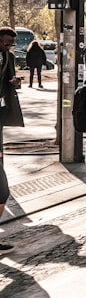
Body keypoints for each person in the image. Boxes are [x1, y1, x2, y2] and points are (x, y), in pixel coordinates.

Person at [0, 27, 24, 250]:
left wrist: (15, 83)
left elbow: (11, 79)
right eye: (6, 43)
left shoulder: (8, 57)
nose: (8, 46)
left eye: (10, 44)